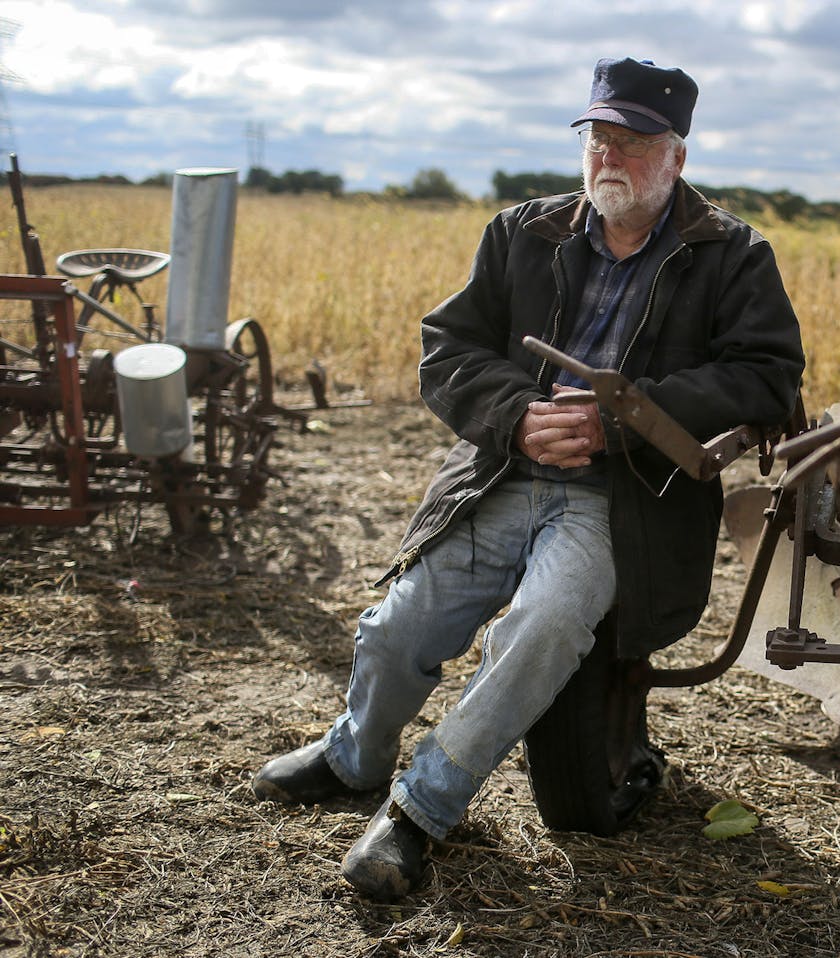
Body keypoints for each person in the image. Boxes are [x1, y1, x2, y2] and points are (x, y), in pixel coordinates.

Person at [251, 57, 805, 901]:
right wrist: (517, 414)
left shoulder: (731, 254)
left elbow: (767, 376)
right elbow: (449, 348)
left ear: (677, 158)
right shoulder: (524, 232)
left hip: (624, 502)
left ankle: (417, 813)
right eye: (598, 137)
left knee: (541, 629)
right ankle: (354, 756)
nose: (609, 156)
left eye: (634, 141)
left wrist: (621, 416)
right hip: (504, 473)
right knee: (398, 627)